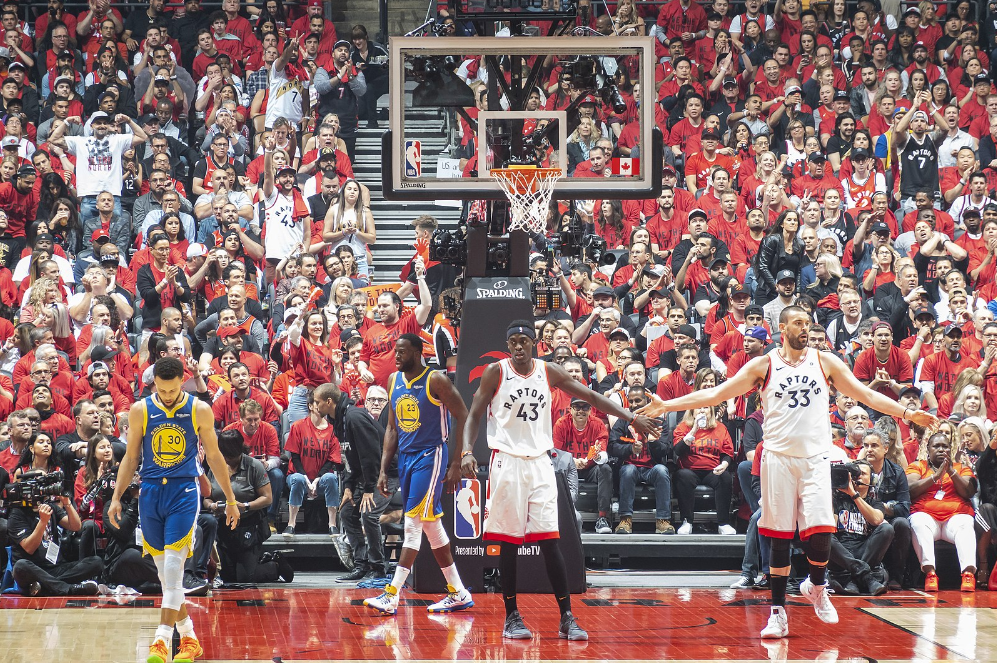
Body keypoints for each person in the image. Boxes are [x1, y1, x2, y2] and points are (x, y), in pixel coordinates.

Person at [639, 306, 937, 639]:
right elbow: (716, 393)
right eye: (798, 323)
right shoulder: (765, 365)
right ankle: (778, 613)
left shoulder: (825, 361)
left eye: (808, 324)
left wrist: (907, 413)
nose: (805, 329)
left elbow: (864, 394)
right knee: (779, 536)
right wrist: (667, 405)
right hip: (778, 459)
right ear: (782, 329)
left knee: (821, 531)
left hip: (815, 458)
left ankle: (818, 586)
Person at [461, 320, 662, 642]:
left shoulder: (548, 371)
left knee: (550, 540)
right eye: (513, 341)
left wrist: (631, 417)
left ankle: (567, 616)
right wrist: (467, 451)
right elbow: (473, 414)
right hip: (507, 461)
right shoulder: (495, 372)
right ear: (507, 345)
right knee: (509, 542)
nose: (518, 346)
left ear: (534, 343)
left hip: (541, 461)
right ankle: (511, 616)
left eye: (524, 340)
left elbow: (591, 396)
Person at [107, 357, 241, 663]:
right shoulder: (140, 409)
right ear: (154, 383)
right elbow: (131, 458)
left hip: (184, 492)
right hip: (150, 493)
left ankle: (161, 640)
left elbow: (215, 457)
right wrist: (116, 496)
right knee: (165, 576)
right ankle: (189, 638)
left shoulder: (199, 409)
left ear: (183, 381)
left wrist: (231, 499)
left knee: (172, 568)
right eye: (161, 389)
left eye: (172, 389)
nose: (167, 395)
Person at [362, 334, 474, 615]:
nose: (397, 356)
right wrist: (383, 469)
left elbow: (464, 414)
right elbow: (391, 428)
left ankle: (392, 594)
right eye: (395, 351)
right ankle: (458, 591)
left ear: (417, 352)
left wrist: (457, 461)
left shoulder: (435, 380)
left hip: (430, 455)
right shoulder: (393, 381)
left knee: (412, 524)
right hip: (406, 458)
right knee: (431, 526)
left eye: (402, 352)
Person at [906, 431, 979, 592]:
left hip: (954, 518)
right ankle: (930, 574)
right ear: (928, 449)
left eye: (945, 447)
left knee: (965, 523)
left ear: (950, 450)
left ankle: (968, 574)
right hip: (926, 516)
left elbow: (968, 492)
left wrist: (951, 472)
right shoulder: (918, 466)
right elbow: (909, 490)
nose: (941, 450)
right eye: (936, 446)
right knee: (918, 521)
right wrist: (936, 476)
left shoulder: (961, 468)